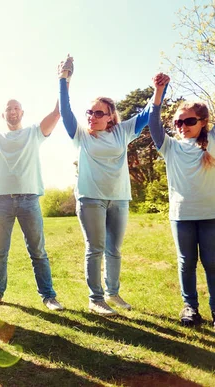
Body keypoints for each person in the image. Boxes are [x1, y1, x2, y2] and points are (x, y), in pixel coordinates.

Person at [59, 55, 163, 316]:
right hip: (90, 199)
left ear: (110, 117)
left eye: (98, 113)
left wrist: (159, 90)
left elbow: (148, 114)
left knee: (113, 250)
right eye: (90, 112)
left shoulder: (122, 131)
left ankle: (112, 293)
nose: (92, 116)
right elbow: (65, 111)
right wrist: (64, 80)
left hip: (118, 198)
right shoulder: (81, 134)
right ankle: (95, 299)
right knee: (95, 249)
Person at [0, 81, 64, 311]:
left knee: (38, 251)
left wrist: (64, 80)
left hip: (29, 199)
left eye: (16, 108)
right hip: (1, 200)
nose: (12, 112)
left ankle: (49, 296)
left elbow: (57, 112)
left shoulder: (33, 133)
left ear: (22, 112)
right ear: (3, 114)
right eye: (8, 109)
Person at [149, 74, 215, 327]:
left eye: (189, 121)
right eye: (178, 121)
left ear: (203, 122)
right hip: (182, 216)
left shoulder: (212, 142)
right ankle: (190, 308)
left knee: (212, 264)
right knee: (187, 263)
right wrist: (159, 91)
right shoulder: (170, 147)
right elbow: (154, 123)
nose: (182, 126)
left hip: (211, 215)